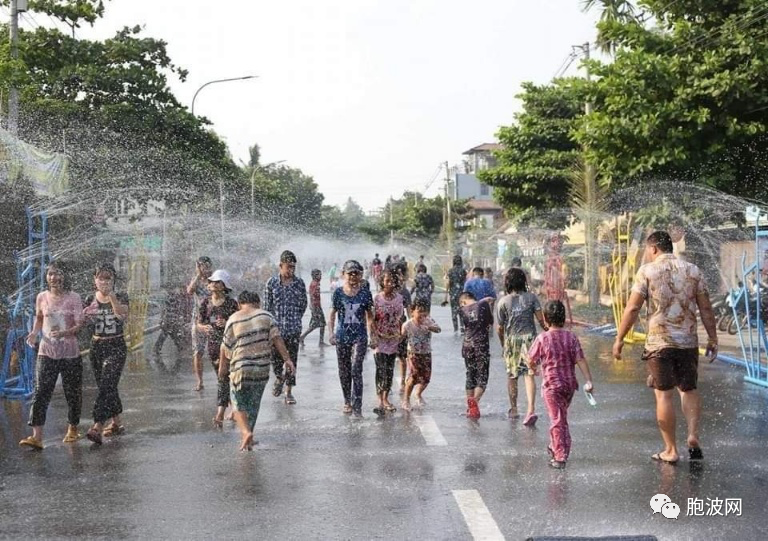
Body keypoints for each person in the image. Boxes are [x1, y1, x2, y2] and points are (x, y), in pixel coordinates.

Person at [613, 231, 718, 464]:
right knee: (688, 389)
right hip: (688, 342)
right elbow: (707, 309)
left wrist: (619, 338)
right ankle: (692, 435)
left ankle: (670, 450)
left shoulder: (647, 271)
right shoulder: (693, 270)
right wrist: (713, 338)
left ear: (653, 249)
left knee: (664, 395)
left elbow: (632, 309)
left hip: (659, 343)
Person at [219, 290, 296, 451]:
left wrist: (222, 370)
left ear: (240, 304)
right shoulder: (267, 316)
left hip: (240, 368)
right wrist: (287, 359)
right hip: (261, 369)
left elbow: (225, 348)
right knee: (253, 404)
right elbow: (277, 339)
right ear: (258, 303)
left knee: (238, 403)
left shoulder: (233, 319)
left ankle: (246, 433)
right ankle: (249, 438)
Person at [20, 261, 85, 449]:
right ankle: (36, 436)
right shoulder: (42, 297)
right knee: (41, 392)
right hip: (46, 351)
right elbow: (40, 318)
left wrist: (65, 333)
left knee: (72, 392)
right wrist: (33, 333)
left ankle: (72, 428)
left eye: (58, 274)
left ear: (65, 277)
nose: (54, 277)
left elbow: (80, 324)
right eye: (50, 274)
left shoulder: (74, 298)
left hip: (69, 353)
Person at [528, 300, 594, 469]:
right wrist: (589, 380)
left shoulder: (542, 338)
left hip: (551, 387)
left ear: (545, 319)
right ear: (564, 318)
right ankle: (555, 446)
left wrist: (533, 368)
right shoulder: (571, 337)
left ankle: (560, 455)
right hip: (569, 386)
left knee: (557, 420)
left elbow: (530, 359)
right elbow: (580, 359)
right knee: (561, 417)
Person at [83, 263, 130, 445]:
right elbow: (83, 321)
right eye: (100, 277)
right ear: (95, 280)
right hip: (97, 347)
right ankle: (117, 422)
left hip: (116, 345)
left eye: (108, 277)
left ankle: (97, 426)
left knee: (107, 383)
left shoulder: (121, 296)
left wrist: (111, 297)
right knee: (107, 386)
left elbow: (122, 316)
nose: (104, 281)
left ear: (114, 280)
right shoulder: (89, 298)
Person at [496, 268, 548, 425]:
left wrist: (503, 344)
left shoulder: (503, 302)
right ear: (523, 281)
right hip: (530, 341)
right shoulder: (532, 298)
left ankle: (514, 408)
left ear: (508, 282)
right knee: (529, 375)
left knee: (512, 376)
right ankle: (531, 409)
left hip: (512, 340)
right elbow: (541, 321)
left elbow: (500, 328)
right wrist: (551, 332)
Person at [329, 260, 375, 416]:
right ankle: (347, 401)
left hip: (360, 336)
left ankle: (358, 404)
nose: (353, 276)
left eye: (356, 273)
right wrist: (331, 333)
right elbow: (332, 314)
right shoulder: (338, 293)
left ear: (361, 275)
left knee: (356, 368)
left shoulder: (365, 293)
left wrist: (372, 336)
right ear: (343, 274)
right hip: (342, 336)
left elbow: (369, 316)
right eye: (350, 273)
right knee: (344, 370)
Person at [264, 250, 308, 405]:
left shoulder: (299, 283)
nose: (290, 270)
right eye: (288, 267)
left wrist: (295, 318)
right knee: (275, 360)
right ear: (280, 266)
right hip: (276, 331)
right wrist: (268, 327)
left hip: (293, 328)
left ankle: (289, 392)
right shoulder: (271, 283)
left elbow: (303, 304)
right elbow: (267, 306)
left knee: (292, 360)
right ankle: (279, 377)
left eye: (293, 267)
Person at [198, 269, 239, 427]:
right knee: (221, 378)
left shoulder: (231, 303)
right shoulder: (206, 303)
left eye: (217, 282)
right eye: (212, 282)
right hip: (213, 346)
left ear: (224, 286)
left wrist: (227, 322)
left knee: (227, 377)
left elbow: (239, 322)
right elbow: (199, 323)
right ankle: (230, 407)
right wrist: (203, 328)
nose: (213, 284)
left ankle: (221, 412)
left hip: (230, 345)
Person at [371, 268, 404, 415]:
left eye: (392, 281)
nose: (390, 283)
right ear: (382, 282)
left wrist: (402, 334)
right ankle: (381, 400)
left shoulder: (399, 299)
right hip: (380, 338)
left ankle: (386, 398)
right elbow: (371, 319)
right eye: (387, 281)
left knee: (389, 370)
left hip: (393, 339)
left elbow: (401, 318)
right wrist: (373, 335)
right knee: (381, 369)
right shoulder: (377, 298)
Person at [458, 292, 495, 419]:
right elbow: (490, 322)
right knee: (482, 377)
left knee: (470, 374)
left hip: (467, 346)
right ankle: (475, 402)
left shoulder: (462, 310)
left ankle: (470, 408)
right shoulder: (484, 305)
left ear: (463, 302)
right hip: (481, 346)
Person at [401, 299, 441, 411]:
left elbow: (438, 330)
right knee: (413, 376)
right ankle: (406, 400)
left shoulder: (429, 320)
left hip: (426, 352)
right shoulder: (407, 324)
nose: (422, 314)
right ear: (412, 312)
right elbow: (401, 338)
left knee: (426, 378)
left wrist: (429, 327)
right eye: (419, 311)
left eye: (425, 312)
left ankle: (418, 394)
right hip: (413, 353)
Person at [187, 256, 213, 391]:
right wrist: (197, 274)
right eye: (202, 266)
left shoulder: (215, 280)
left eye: (207, 266)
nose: (206, 269)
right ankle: (200, 381)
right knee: (198, 352)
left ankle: (222, 378)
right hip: (198, 321)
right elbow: (190, 291)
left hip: (214, 320)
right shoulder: (196, 280)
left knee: (219, 350)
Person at [153, 284, 192, 371]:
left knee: (168, 335)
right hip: (170, 320)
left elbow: (172, 309)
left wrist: (164, 319)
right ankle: (179, 349)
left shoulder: (173, 298)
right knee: (170, 335)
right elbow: (168, 310)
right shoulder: (173, 298)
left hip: (170, 320)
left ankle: (158, 349)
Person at [394, 261, 412, 390]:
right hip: (387, 327)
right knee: (386, 357)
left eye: (401, 275)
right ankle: (386, 383)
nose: (399, 278)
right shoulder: (386, 290)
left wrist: (412, 328)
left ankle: (402, 382)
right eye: (396, 274)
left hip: (401, 327)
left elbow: (410, 311)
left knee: (402, 357)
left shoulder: (405, 292)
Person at [299, 269, 327, 348]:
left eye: (320, 274)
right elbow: (312, 296)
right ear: (314, 276)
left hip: (315, 306)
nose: (320, 276)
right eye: (319, 275)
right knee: (320, 324)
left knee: (317, 324)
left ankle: (303, 337)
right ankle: (320, 342)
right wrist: (314, 309)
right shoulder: (315, 284)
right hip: (316, 307)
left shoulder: (315, 283)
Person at [444, 255, 467, 333]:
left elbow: (448, 283)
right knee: (462, 311)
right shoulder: (463, 271)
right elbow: (465, 282)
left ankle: (455, 329)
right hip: (462, 294)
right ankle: (462, 328)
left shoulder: (450, 271)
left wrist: (446, 295)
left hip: (453, 294)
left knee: (454, 312)